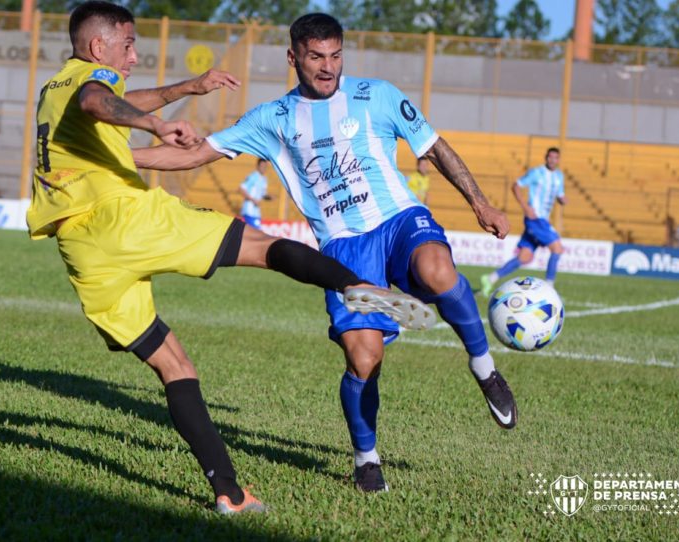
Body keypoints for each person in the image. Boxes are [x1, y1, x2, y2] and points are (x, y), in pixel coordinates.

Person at [27, 2, 433, 514]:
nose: (134, 55)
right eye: (129, 44)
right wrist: (154, 125)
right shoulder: (90, 80)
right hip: (124, 219)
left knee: (173, 365)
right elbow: (96, 100)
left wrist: (184, 89)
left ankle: (230, 494)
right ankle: (358, 286)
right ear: (98, 47)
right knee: (262, 247)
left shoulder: (53, 86)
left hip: (82, 252)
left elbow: (107, 98)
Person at [133, 12, 516, 494]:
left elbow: (435, 147)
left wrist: (480, 202)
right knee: (363, 358)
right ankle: (366, 457)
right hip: (343, 245)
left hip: (397, 218)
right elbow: (194, 154)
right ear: (293, 57)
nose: (328, 66)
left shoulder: (375, 94)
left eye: (335, 55)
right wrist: (125, 158)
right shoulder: (271, 119)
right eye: (316, 56)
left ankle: (484, 369)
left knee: (437, 271)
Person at [481, 147, 566, 296]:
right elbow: (516, 186)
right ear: (546, 158)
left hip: (542, 219)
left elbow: (560, 194)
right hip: (535, 219)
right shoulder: (536, 173)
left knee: (524, 257)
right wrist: (526, 207)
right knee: (557, 249)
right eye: (550, 157)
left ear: (558, 160)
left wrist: (562, 199)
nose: (552, 160)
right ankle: (549, 289)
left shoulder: (559, 176)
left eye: (555, 158)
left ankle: (489, 278)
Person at [239, 158, 271, 229]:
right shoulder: (253, 176)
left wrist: (269, 197)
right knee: (254, 233)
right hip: (249, 211)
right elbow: (241, 189)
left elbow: (263, 194)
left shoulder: (264, 179)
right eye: (262, 166)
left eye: (265, 166)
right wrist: (253, 200)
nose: (264, 168)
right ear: (258, 166)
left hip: (256, 212)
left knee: (255, 233)